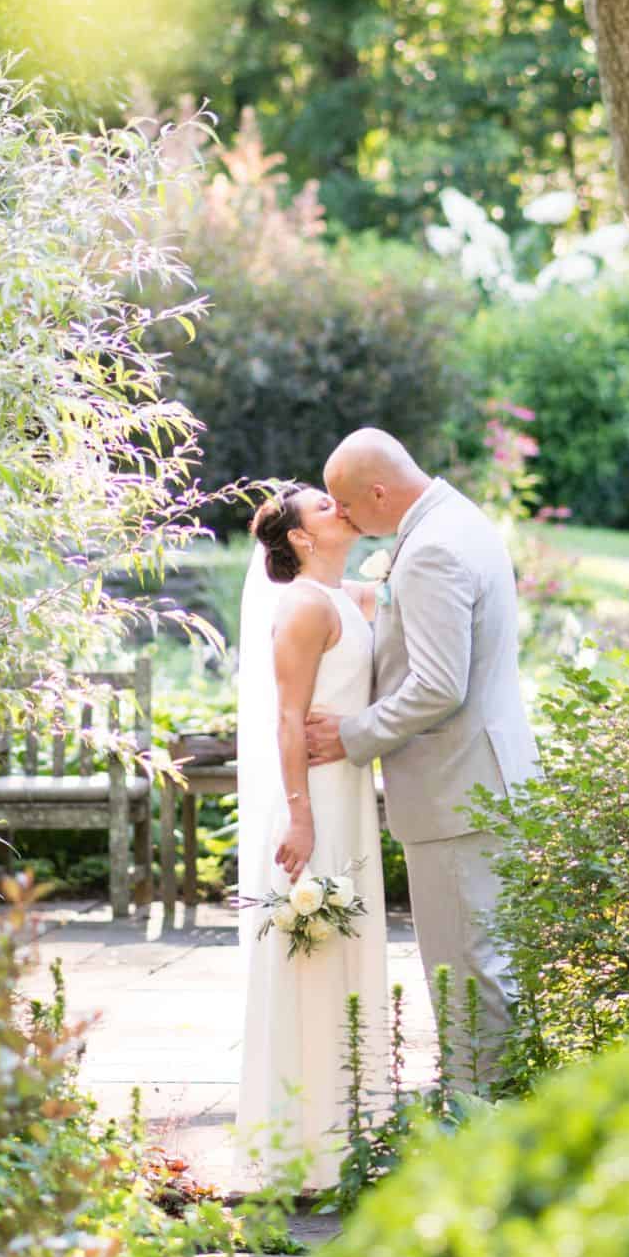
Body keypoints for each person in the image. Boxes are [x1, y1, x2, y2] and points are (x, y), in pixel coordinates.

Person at [306, 429, 540, 1084]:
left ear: (380, 492)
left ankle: (481, 1124)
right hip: (482, 781)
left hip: (457, 791)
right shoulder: (457, 519)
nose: (345, 518)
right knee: (495, 965)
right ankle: (508, 1109)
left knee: (471, 972)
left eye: (349, 505)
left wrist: (353, 734)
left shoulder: (431, 549)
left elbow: (439, 684)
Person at [233, 483, 387, 1191]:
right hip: (313, 802)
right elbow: (287, 719)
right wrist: (299, 815)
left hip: (350, 794)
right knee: (310, 953)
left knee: (347, 951)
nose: (341, 506)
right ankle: (299, 1151)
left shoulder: (352, 600)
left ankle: (349, 1135)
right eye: (323, 507)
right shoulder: (299, 606)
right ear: (298, 537)